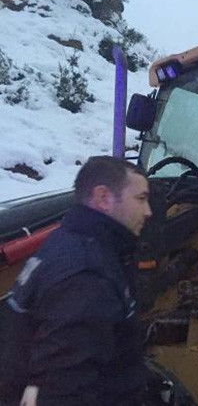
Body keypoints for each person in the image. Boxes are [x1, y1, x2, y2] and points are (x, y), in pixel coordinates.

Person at [0, 155, 152, 406]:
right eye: (141, 199)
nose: (148, 211)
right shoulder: (89, 276)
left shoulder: (64, 242)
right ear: (104, 197)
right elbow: (64, 387)